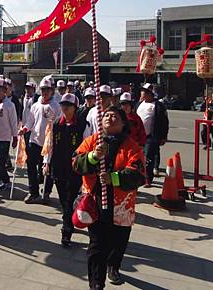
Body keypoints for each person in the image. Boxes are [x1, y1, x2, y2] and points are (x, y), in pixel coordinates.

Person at [73, 106, 145, 288]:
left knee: (117, 243)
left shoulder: (132, 146)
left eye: (115, 116)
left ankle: (113, 266)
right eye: (106, 115)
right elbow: (75, 162)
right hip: (95, 203)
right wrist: (93, 157)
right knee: (96, 246)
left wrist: (114, 178)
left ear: (123, 123)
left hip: (121, 207)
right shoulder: (92, 141)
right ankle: (96, 284)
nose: (110, 118)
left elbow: (139, 174)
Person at [43, 93, 87, 247]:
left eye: (68, 106)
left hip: (75, 168)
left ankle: (66, 231)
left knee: (69, 198)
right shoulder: (56, 124)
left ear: (75, 108)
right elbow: (49, 145)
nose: (65, 108)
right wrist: (46, 162)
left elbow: (87, 146)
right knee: (64, 200)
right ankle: (69, 218)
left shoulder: (82, 125)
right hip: (58, 166)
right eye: (63, 105)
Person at [22, 76, 61, 203]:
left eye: (47, 90)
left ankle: (47, 192)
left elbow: (58, 123)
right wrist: (24, 129)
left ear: (52, 90)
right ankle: (33, 192)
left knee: (47, 168)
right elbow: (30, 122)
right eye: (43, 89)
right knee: (31, 165)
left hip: (49, 143)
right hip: (34, 140)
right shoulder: (35, 105)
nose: (45, 92)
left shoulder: (55, 106)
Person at [136, 83, 169, 187]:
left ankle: (148, 179)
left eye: (145, 92)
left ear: (151, 94)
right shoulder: (139, 104)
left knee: (148, 158)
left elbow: (164, 122)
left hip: (150, 136)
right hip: (137, 137)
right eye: (142, 91)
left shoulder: (158, 106)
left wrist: (163, 136)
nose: (143, 94)